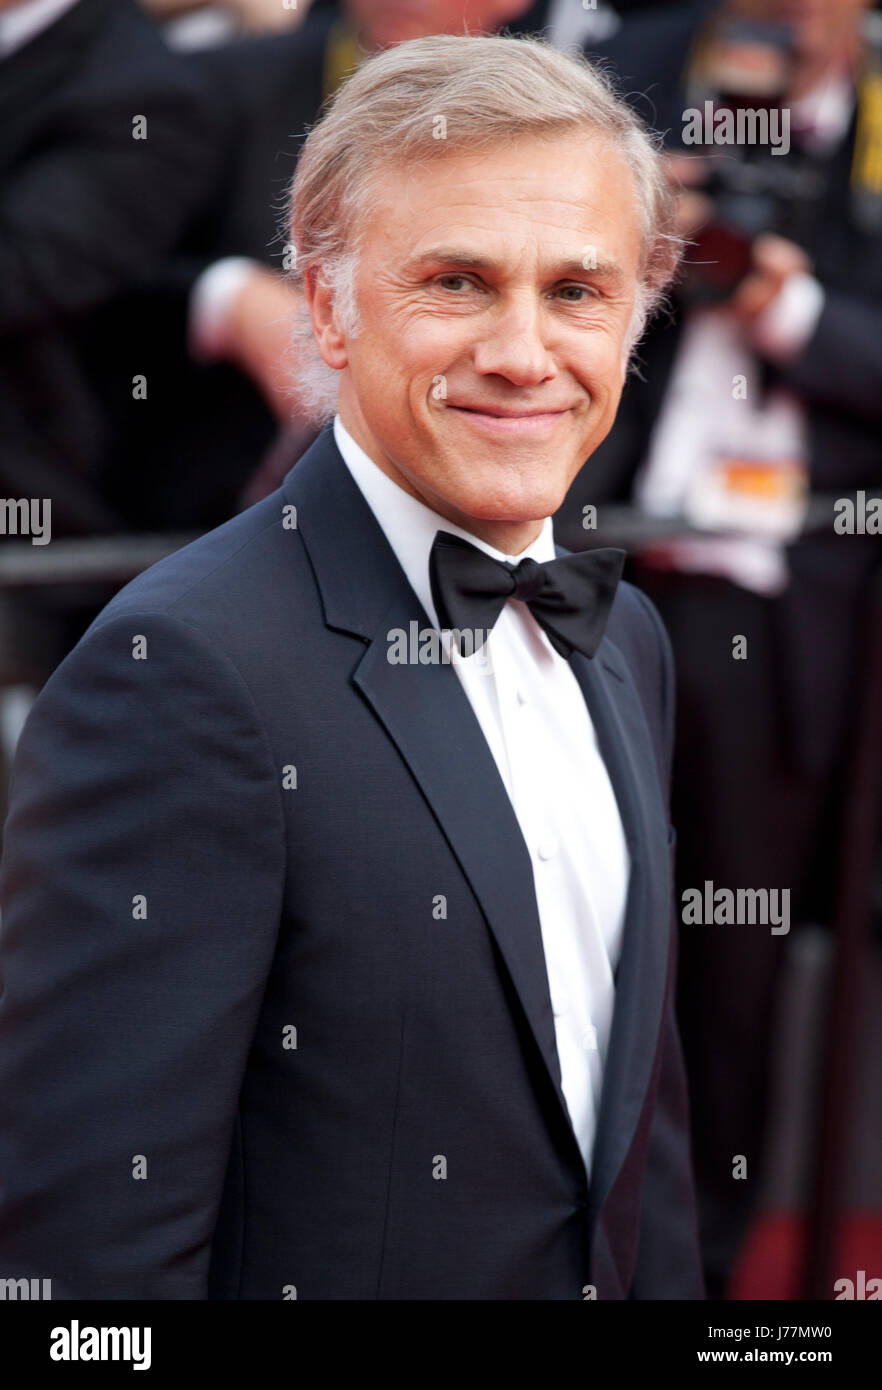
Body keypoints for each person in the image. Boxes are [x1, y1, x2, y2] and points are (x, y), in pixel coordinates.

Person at [0, 34, 704, 1300]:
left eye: (580, 291)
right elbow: (89, 1263)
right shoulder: (182, 676)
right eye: (457, 282)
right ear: (326, 303)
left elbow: (634, 1156)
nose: (525, 352)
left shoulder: (627, 643)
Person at [557, 0, 882, 1295]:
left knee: (723, 981)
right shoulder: (626, 70)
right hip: (591, 567)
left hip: (782, 611)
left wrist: (776, 296)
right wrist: (637, 237)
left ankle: (696, 1273)